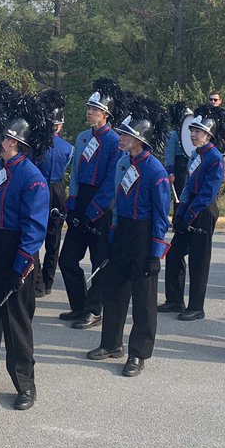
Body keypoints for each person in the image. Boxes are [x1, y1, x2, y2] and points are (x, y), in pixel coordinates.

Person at [88, 96, 171, 377]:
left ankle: (138, 353)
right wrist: (112, 236)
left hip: (143, 235)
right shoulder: (123, 163)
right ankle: (111, 344)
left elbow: (161, 216)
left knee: (144, 301)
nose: (120, 138)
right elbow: (117, 202)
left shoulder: (155, 171)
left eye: (125, 135)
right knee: (114, 291)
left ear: (139, 140)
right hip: (122, 231)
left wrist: (155, 253)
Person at [0, 94, 50, 409]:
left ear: (18, 143)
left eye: (6, 138)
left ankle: (25, 385)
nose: (0, 142)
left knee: (17, 321)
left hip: (16, 250)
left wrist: (20, 266)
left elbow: (35, 229)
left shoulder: (32, 178)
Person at [58, 78, 122, 330]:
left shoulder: (115, 141)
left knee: (99, 261)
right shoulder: (83, 137)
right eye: (88, 107)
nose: (89, 112)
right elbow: (74, 172)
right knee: (68, 259)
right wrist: (72, 204)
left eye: (95, 109)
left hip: (102, 205)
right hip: (81, 199)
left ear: (105, 114)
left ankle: (95, 309)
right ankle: (79, 305)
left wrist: (95, 209)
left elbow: (112, 180)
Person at [162, 103, 225, 320]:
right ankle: (174, 300)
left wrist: (189, 215)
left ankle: (196, 306)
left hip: (204, 211)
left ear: (208, 135)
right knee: (174, 254)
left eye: (197, 131)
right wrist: (180, 213)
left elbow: (208, 193)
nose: (192, 134)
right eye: (192, 130)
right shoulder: (196, 154)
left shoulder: (214, 157)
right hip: (190, 207)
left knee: (199, 260)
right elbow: (188, 185)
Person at [32, 90, 71, 297]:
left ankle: (37, 281)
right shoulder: (68, 147)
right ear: (60, 125)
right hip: (57, 189)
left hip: (39, 190)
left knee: (35, 234)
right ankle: (47, 281)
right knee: (53, 237)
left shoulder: (35, 144)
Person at [164, 101, 192, 195]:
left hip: (189, 164)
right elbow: (169, 155)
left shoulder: (192, 135)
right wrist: (171, 172)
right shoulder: (173, 135)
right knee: (180, 193)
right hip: (179, 167)